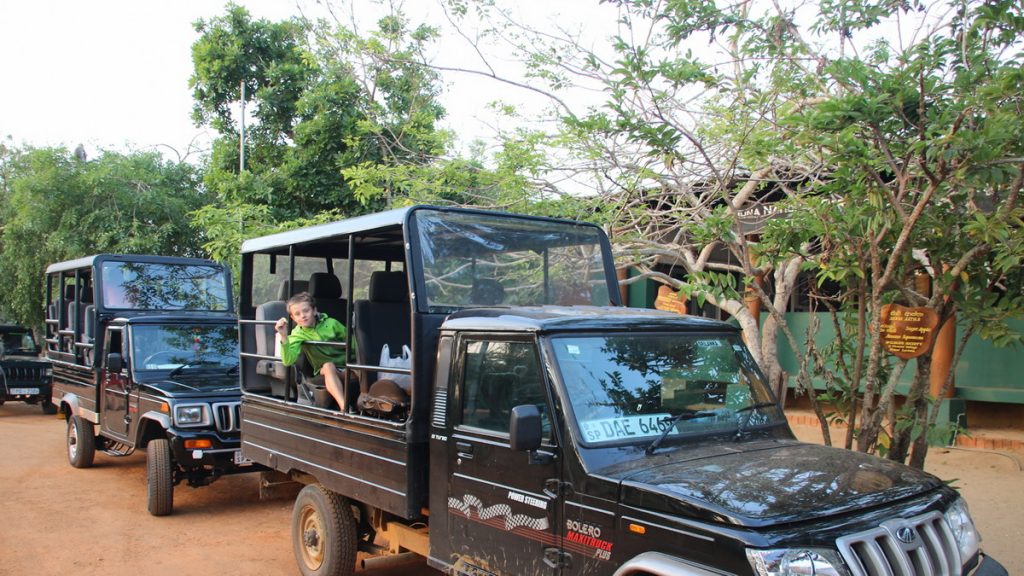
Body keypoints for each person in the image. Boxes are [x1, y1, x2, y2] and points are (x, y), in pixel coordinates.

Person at [275, 292, 351, 409]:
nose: (303, 316)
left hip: (345, 365)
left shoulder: (332, 323)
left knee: (361, 370)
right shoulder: (297, 334)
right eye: (297, 314)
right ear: (293, 318)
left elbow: (352, 343)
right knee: (328, 366)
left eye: (306, 311)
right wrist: (284, 337)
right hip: (324, 369)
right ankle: (344, 407)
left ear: (314, 311)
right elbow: (288, 361)